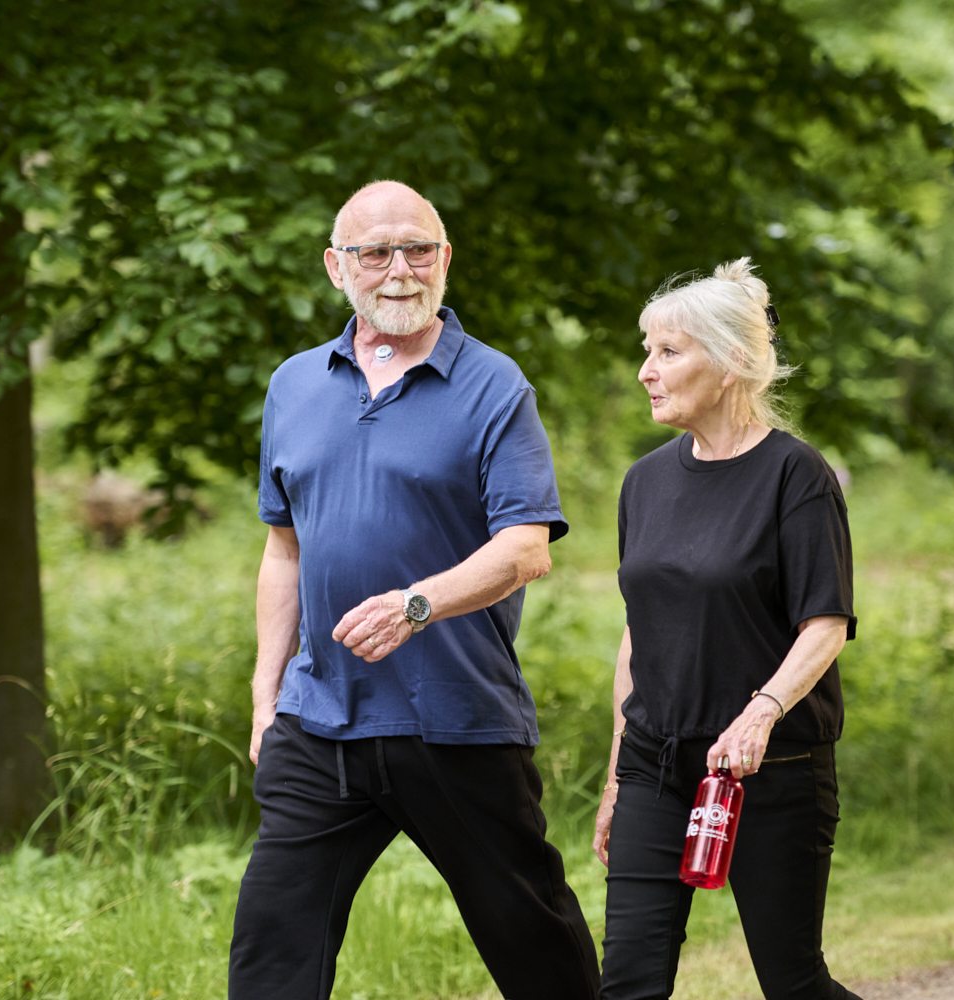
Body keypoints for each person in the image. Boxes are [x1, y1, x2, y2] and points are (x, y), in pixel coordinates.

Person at [228, 180, 601, 1000]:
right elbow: (282, 551)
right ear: (337, 267)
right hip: (318, 721)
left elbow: (526, 549)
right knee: (271, 948)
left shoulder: (494, 385)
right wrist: (265, 696)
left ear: (445, 259)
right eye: (375, 251)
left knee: (530, 936)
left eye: (419, 249)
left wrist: (414, 605)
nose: (400, 270)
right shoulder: (293, 385)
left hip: (455, 719)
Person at [593, 259, 864, 1000]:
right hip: (656, 763)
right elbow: (637, 631)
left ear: (732, 364)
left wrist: (761, 713)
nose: (646, 371)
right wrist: (618, 773)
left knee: (794, 983)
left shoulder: (794, 476)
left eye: (668, 352)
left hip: (767, 769)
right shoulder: (644, 481)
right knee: (628, 984)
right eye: (646, 350)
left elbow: (826, 623)